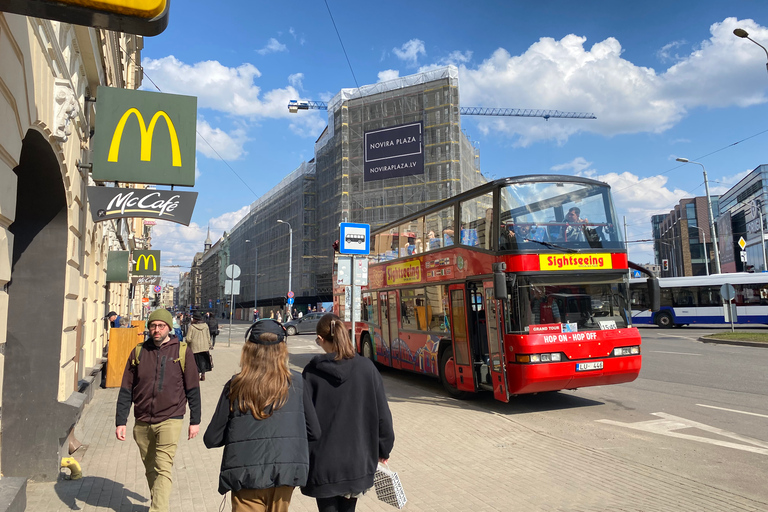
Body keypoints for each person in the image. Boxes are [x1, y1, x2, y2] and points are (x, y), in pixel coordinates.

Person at [204, 319, 321, 512]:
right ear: (283, 350)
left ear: (248, 351)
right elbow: (314, 431)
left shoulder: (235, 385)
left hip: (245, 475)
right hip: (284, 474)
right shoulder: (298, 383)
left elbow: (211, 438)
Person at [301, 314, 395, 512]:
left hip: (322, 464)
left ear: (321, 339)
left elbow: (304, 419)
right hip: (357, 462)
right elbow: (383, 417)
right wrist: (383, 449)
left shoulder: (311, 372)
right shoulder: (367, 368)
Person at [115, 309, 200, 512]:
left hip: (171, 417)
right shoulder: (138, 352)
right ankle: (158, 502)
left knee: (163, 467)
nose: (157, 330)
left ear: (169, 328)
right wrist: (120, 421)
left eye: (161, 326)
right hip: (142, 419)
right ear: (149, 328)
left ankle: (158, 509)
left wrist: (194, 420)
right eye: (153, 326)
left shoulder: (181, 350)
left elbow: (193, 388)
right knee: (150, 467)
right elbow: (126, 388)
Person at [186, 313, 212, 381]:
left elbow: (188, 338)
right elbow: (208, 336)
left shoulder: (192, 327)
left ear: (194, 319)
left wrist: (188, 344)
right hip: (205, 347)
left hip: (195, 348)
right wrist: (209, 344)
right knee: (203, 362)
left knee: (196, 362)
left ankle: (197, 376)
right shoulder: (205, 326)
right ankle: (203, 375)